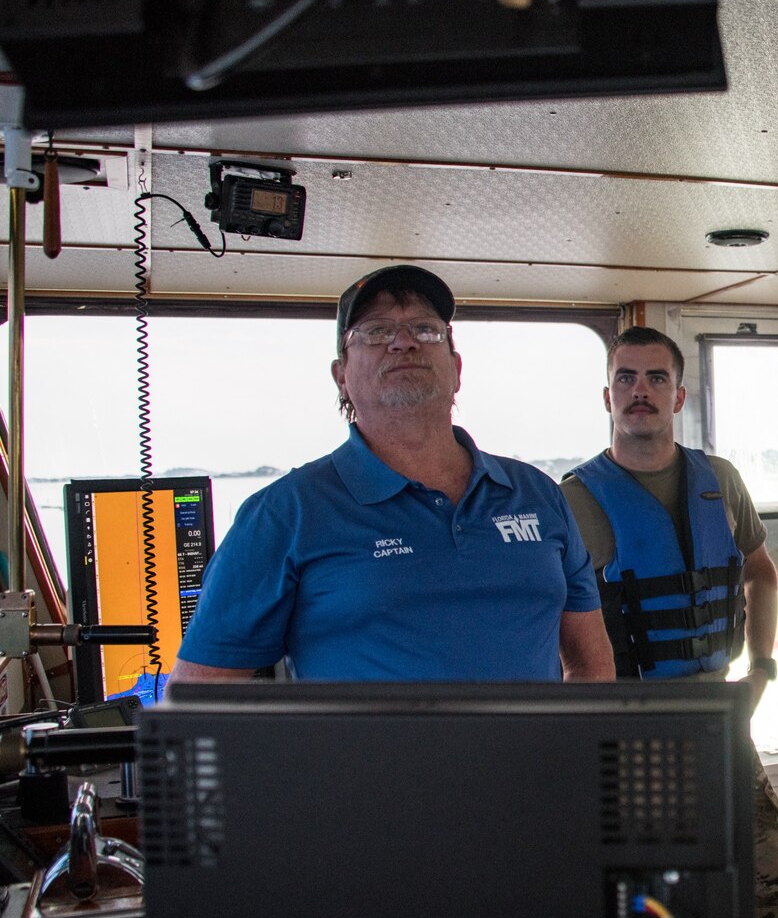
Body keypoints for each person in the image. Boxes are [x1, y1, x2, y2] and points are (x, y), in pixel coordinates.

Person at [172, 264, 614, 683]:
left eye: (425, 329)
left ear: (456, 370)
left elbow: (591, 664)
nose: (404, 342)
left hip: (537, 766)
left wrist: (578, 756)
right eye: (376, 331)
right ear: (341, 377)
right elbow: (196, 694)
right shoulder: (284, 513)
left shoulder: (536, 493)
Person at [560, 326, 778, 918]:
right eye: (627, 378)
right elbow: (557, 626)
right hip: (629, 728)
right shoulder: (575, 498)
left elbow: (758, 571)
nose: (641, 392)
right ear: (607, 395)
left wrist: (761, 667)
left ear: (680, 395)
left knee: (770, 883)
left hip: (720, 716)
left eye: (656, 378)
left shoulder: (718, 480)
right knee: (642, 897)